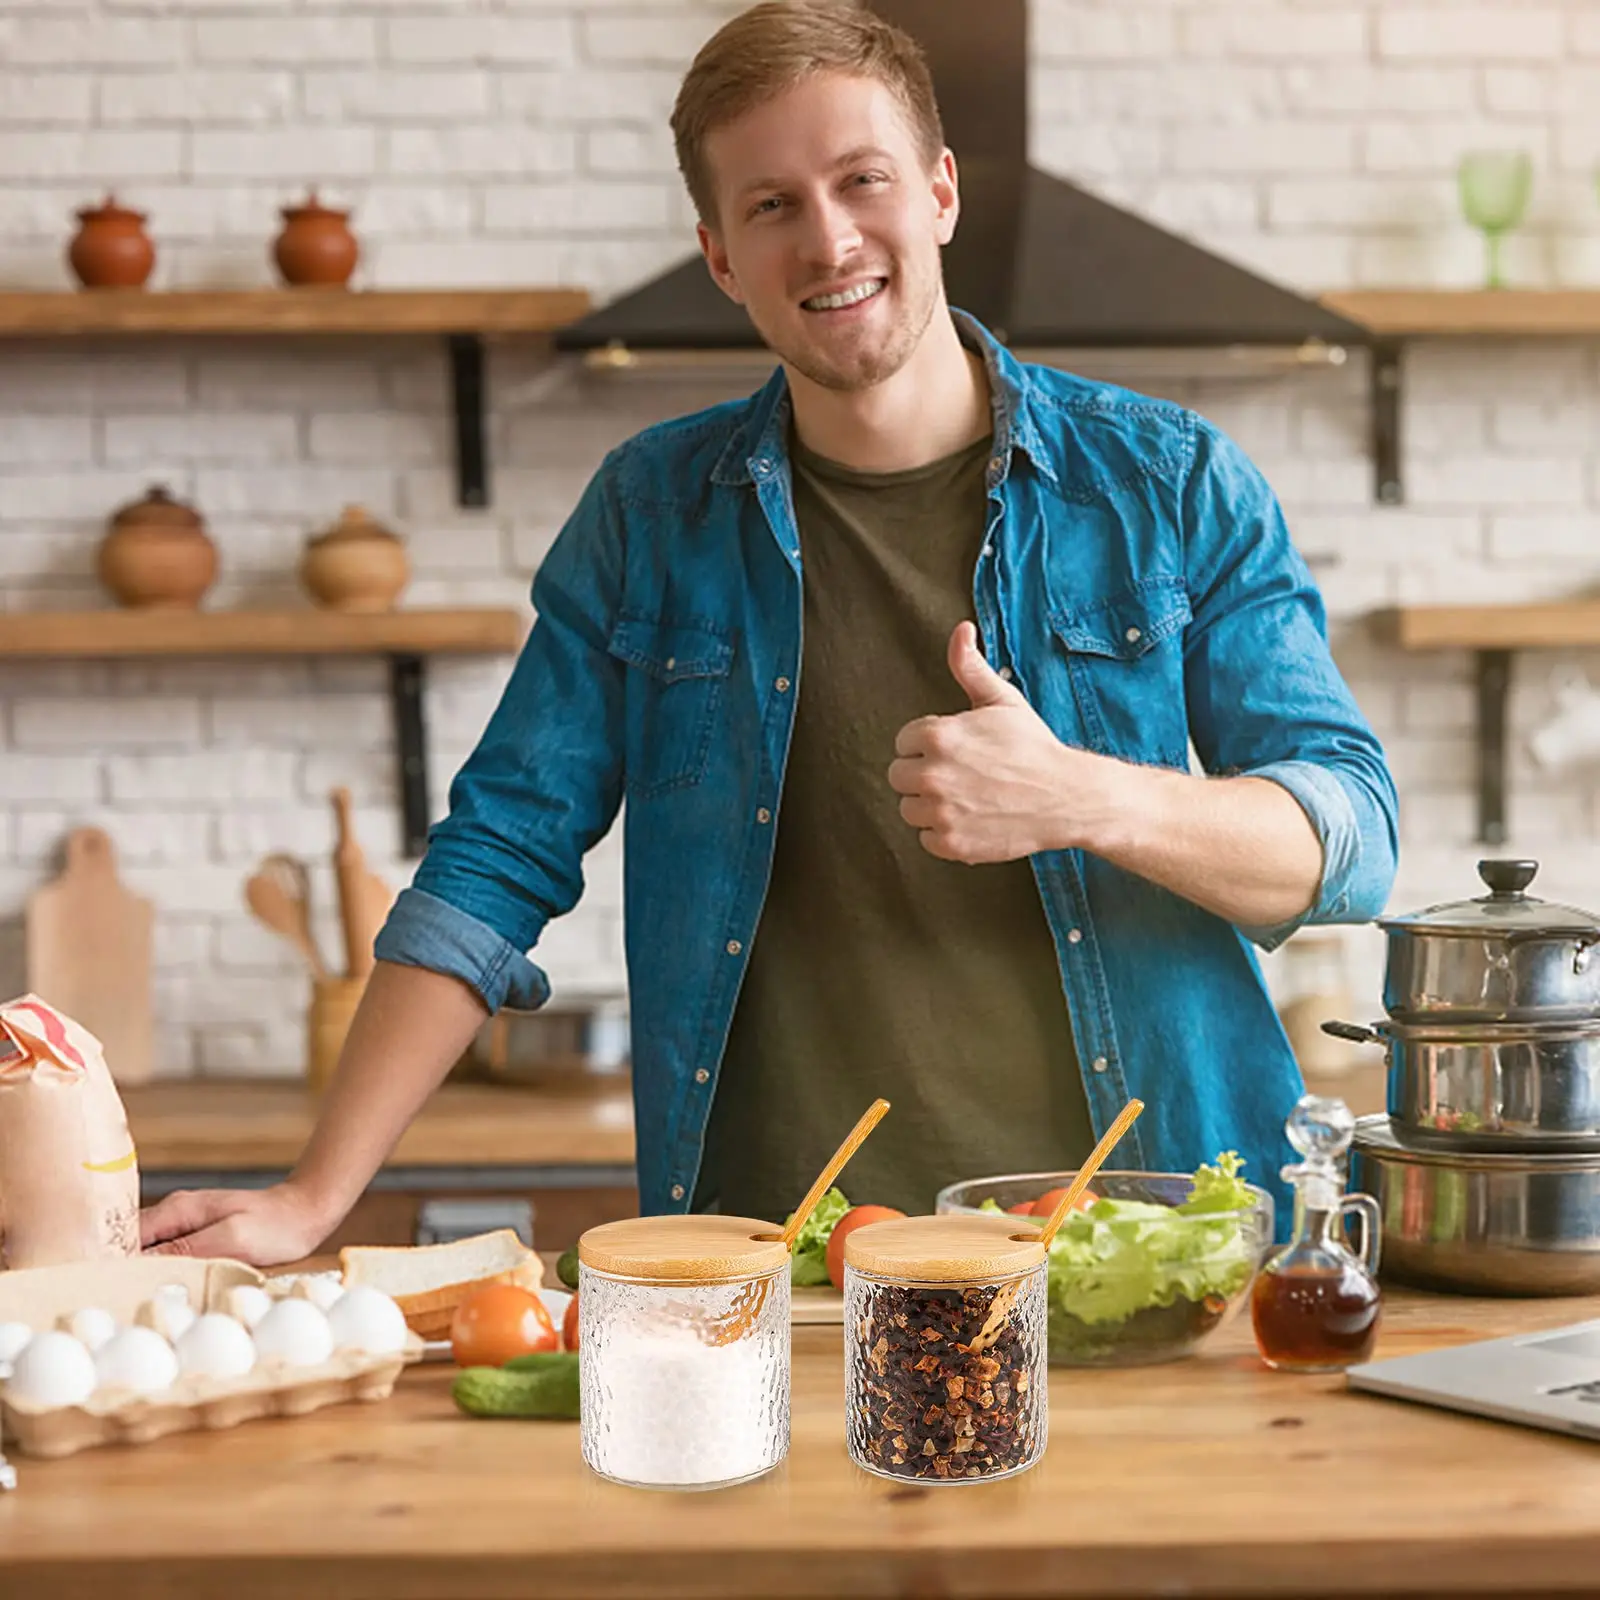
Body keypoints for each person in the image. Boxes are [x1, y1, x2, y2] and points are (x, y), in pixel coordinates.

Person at [142, 1, 1396, 1264]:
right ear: (721, 257)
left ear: (940, 191)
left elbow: (1350, 839)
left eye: (862, 180)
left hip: (1142, 1254)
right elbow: (496, 856)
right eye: (771, 205)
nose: (828, 238)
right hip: (779, 1267)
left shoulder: (1168, 483)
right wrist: (313, 1194)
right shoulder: (649, 514)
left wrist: (1082, 796)